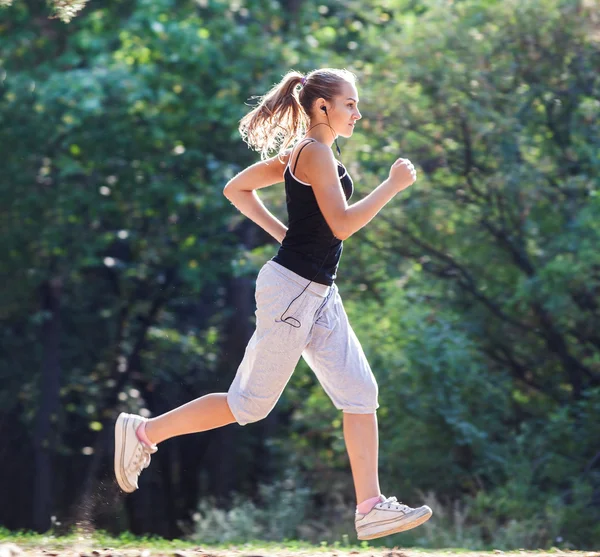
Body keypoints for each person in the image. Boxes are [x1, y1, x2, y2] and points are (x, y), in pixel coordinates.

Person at [114, 68, 432, 541]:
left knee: (361, 394)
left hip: (318, 289)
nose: (358, 113)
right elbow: (341, 225)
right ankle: (144, 433)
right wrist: (390, 187)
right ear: (322, 107)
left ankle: (370, 508)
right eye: (350, 104)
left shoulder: (303, 154)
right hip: (293, 290)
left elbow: (236, 189)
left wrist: (287, 236)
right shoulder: (315, 154)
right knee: (248, 405)